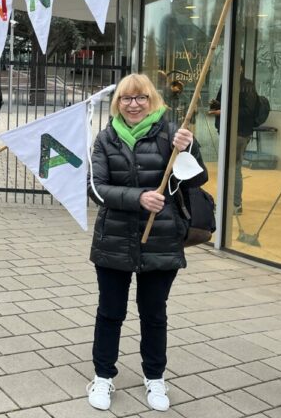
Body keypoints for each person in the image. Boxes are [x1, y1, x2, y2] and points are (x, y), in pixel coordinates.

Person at [87, 73, 207, 412]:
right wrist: (138, 198)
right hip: (114, 239)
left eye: (141, 98)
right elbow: (96, 188)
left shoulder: (171, 133)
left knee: (154, 314)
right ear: (118, 103)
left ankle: (154, 376)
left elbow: (198, 178)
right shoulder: (106, 139)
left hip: (162, 238)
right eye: (127, 98)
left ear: (152, 100)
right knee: (110, 312)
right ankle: (103, 375)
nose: (134, 104)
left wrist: (190, 146)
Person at [209, 61, 258, 215]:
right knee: (225, 168)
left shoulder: (247, 86)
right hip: (225, 130)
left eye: (236, 66)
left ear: (241, 68)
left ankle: (236, 204)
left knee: (235, 168)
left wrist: (223, 111)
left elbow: (247, 111)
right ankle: (225, 202)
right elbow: (222, 104)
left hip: (240, 132)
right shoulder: (227, 83)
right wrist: (216, 105)